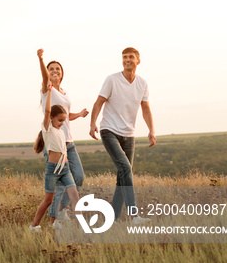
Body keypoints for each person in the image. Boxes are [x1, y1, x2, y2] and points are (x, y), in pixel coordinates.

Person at [89, 47, 156, 224]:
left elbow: (146, 109)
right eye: (124, 57)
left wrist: (151, 130)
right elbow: (98, 103)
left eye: (131, 57)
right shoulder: (112, 80)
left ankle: (113, 217)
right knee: (126, 169)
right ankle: (134, 216)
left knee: (123, 175)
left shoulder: (142, 83)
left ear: (138, 61)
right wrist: (92, 123)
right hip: (109, 130)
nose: (127, 59)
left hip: (129, 134)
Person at [37, 48, 89, 226]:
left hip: (69, 142)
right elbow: (44, 77)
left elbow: (64, 116)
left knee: (79, 177)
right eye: (51, 69)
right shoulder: (47, 89)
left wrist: (79, 114)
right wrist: (41, 58)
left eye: (57, 69)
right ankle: (54, 218)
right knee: (59, 182)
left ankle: (61, 209)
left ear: (62, 73)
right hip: (54, 144)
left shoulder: (64, 92)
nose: (54, 71)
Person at [29, 83, 80, 231]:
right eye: (59, 120)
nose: (61, 123)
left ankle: (80, 225)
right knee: (48, 200)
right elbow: (46, 110)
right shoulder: (48, 128)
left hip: (65, 169)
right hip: (53, 170)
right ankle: (34, 226)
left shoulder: (60, 131)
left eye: (64, 121)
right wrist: (50, 92)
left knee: (75, 195)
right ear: (51, 118)